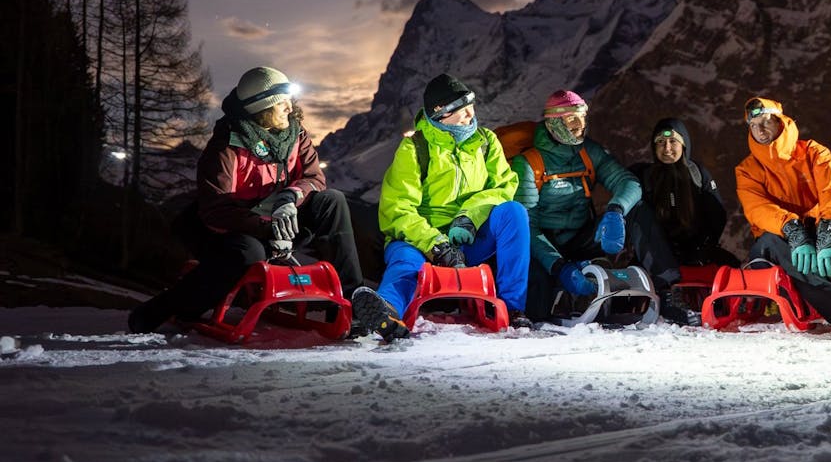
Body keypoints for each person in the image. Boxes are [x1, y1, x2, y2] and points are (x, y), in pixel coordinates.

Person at [128, 67, 365, 334]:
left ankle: (354, 299)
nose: (290, 107)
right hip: (229, 229)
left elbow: (314, 178)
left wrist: (290, 196)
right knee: (249, 254)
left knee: (332, 201)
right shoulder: (226, 146)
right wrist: (268, 227)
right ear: (262, 110)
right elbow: (216, 210)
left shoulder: (295, 133)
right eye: (281, 103)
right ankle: (164, 309)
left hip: (279, 220)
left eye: (289, 99)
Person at [351, 74, 531, 340]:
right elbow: (398, 209)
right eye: (461, 109)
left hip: (468, 238)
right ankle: (384, 312)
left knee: (514, 213)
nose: (471, 114)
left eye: (471, 105)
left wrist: (469, 216)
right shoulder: (415, 148)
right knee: (406, 263)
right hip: (421, 240)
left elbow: (503, 187)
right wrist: (435, 243)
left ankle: (512, 308)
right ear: (442, 114)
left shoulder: (485, 142)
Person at [512, 90, 699, 326]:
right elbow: (526, 225)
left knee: (636, 210)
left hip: (580, 239)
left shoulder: (588, 152)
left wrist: (615, 211)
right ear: (553, 122)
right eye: (571, 119)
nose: (579, 125)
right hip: (543, 246)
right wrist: (558, 266)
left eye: (582, 117)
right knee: (538, 311)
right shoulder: (528, 163)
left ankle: (667, 290)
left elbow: (628, 182)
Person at [735, 96, 831, 323]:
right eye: (754, 125)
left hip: (814, 226)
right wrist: (792, 229)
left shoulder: (813, 152)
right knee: (771, 242)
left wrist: (827, 228)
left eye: (765, 121)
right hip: (777, 237)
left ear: (779, 121)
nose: (760, 129)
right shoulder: (747, 170)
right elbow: (758, 209)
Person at [628, 117, 738, 267]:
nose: (667, 148)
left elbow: (717, 215)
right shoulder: (643, 175)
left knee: (734, 271)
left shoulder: (697, 174)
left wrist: (704, 248)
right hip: (654, 254)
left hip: (697, 251)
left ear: (684, 145)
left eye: (673, 141)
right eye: (661, 142)